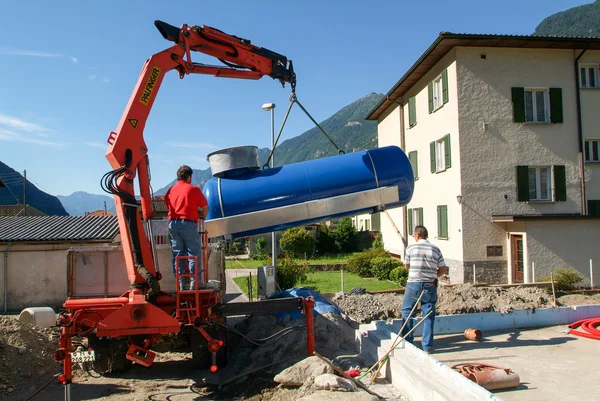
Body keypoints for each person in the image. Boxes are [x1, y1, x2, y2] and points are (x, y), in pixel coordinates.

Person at [401, 225, 448, 353]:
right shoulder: (435, 249)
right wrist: (433, 276)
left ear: (416, 235)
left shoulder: (411, 248)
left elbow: (406, 266)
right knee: (428, 315)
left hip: (413, 285)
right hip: (429, 285)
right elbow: (443, 269)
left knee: (407, 312)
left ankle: (407, 342)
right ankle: (427, 347)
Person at [164, 165, 209, 291]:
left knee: (178, 255)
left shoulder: (170, 190)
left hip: (173, 224)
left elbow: (167, 204)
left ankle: (181, 284)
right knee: (193, 254)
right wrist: (201, 216)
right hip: (188, 224)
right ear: (189, 177)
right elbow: (205, 207)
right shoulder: (193, 190)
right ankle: (195, 284)